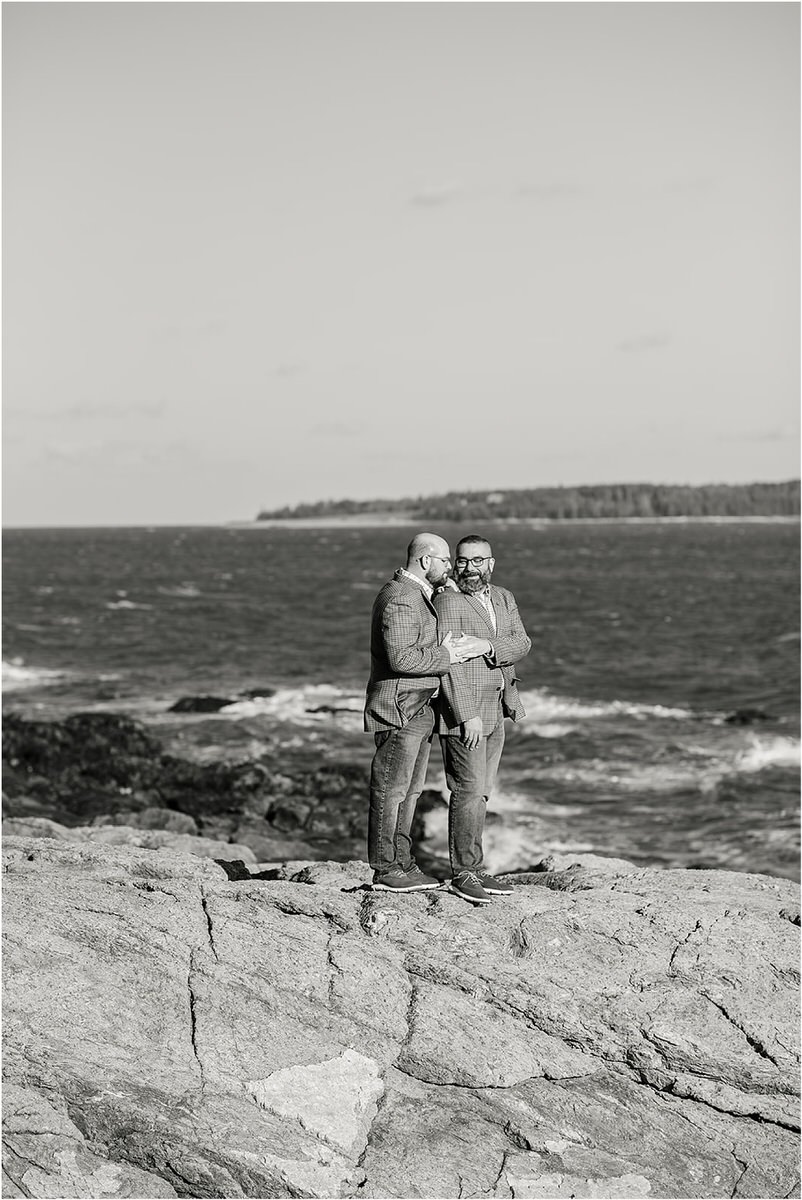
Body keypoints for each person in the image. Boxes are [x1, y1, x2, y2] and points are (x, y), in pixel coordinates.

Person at [364, 532, 488, 892]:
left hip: (419, 708)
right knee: (391, 790)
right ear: (425, 561)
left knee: (410, 792)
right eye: (445, 560)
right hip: (401, 708)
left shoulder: (420, 594)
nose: (451, 567)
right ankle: (386, 868)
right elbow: (400, 658)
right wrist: (447, 655)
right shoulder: (400, 598)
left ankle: (402, 862)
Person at [433, 535, 532, 905]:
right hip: (468, 715)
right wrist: (465, 714)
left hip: (497, 708)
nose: (469, 568)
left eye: (477, 561)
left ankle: (476, 868)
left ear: (491, 563)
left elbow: (522, 643)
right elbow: (448, 664)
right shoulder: (447, 601)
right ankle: (464, 873)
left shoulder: (503, 597)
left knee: (483, 792)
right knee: (468, 792)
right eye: (462, 561)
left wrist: (487, 646)